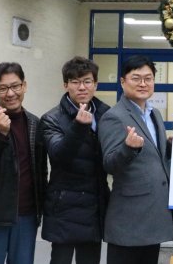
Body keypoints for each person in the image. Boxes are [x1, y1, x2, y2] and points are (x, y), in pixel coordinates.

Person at [98, 55, 173, 264]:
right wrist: (128, 148)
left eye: (148, 78)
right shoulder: (114, 117)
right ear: (123, 82)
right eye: (136, 78)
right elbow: (110, 163)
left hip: (154, 213)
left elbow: (153, 156)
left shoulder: (154, 114)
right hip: (129, 218)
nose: (143, 83)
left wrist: (169, 147)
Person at [0, 62, 47, 264]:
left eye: (15, 86)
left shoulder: (35, 123)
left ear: (24, 86)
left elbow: (40, 171)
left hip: (26, 216)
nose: (11, 93)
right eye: (3, 88)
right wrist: (0, 134)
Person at [39, 57, 110, 264]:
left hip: (94, 204)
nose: (82, 87)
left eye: (87, 81)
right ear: (65, 85)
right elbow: (59, 157)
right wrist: (78, 127)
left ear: (95, 84)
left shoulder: (106, 114)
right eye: (75, 82)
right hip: (63, 206)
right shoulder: (51, 119)